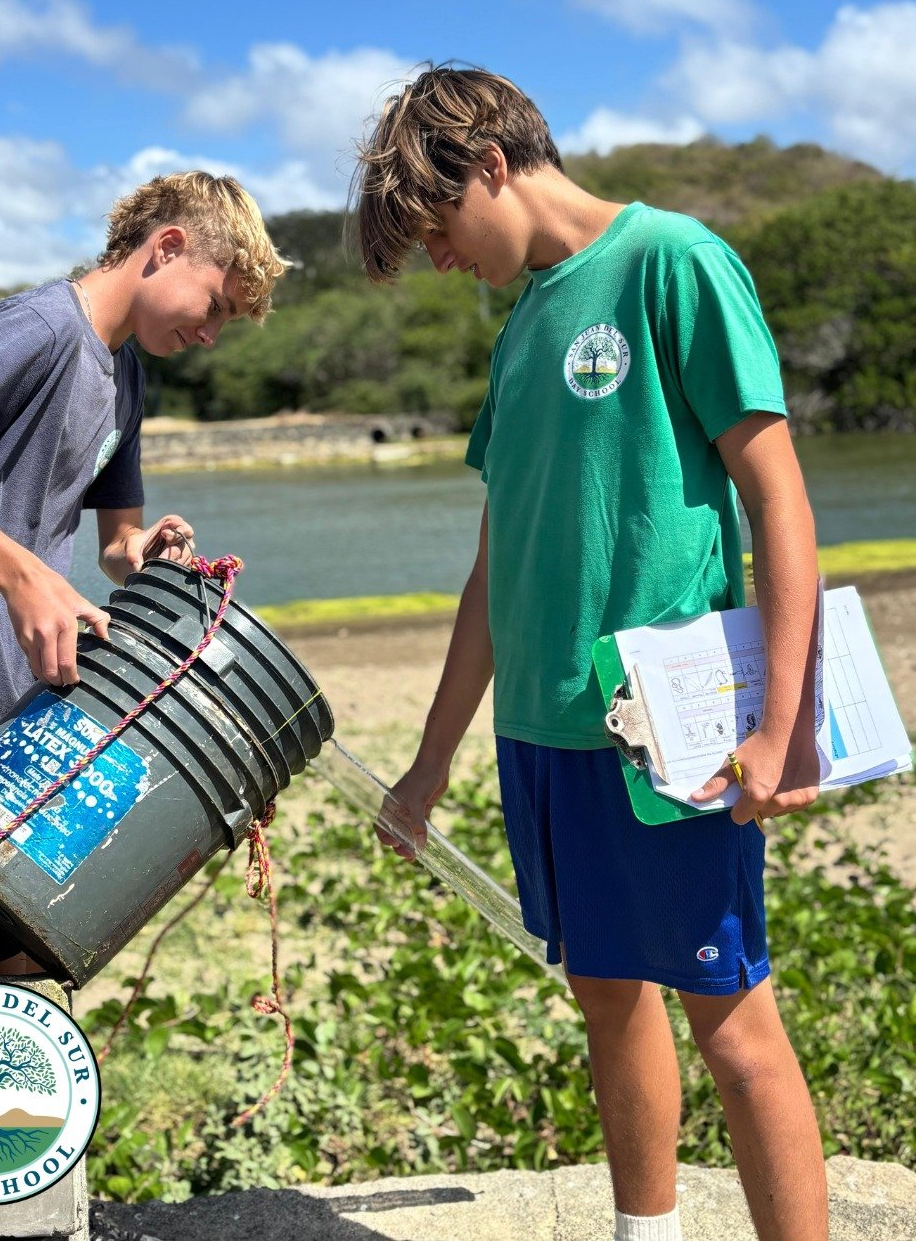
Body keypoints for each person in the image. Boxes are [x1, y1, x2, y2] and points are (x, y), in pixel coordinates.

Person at [351, 66, 827, 1241]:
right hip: (545, 731)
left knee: (732, 1016)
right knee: (605, 995)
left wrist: (787, 720)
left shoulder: (674, 259)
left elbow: (780, 500)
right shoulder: (520, 332)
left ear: (494, 165)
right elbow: (493, 573)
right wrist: (429, 765)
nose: (443, 260)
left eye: (440, 229)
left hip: (666, 730)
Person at [0, 171, 286, 978]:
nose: (213, 333)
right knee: (0, 967)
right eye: (215, 305)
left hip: (26, 692)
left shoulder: (127, 374)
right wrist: (19, 576)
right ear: (168, 248)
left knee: (32, 949)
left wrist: (146, 553)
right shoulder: (40, 328)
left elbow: (115, 544)